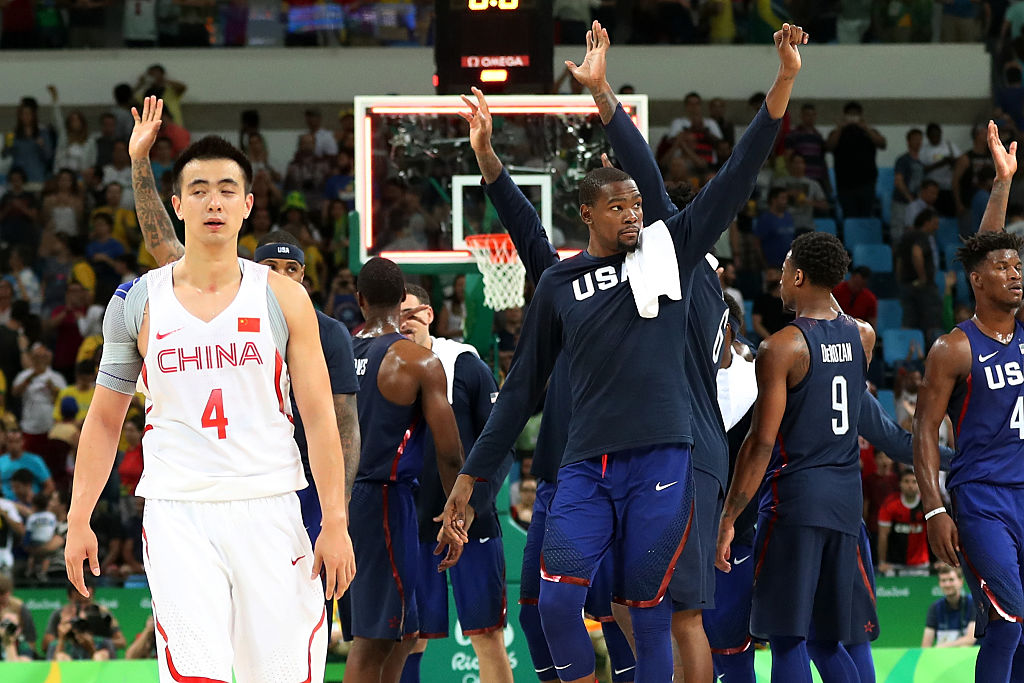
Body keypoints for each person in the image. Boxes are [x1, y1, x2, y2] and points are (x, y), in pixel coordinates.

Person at [444, 23, 802, 683]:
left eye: (640, 203)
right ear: (588, 213)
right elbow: (521, 389)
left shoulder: (673, 252)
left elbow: (739, 170)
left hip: (666, 457)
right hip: (585, 464)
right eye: (621, 205)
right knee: (557, 607)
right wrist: (470, 481)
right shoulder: (560, 282)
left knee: (650, 608)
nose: (636, 212)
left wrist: (782, 82)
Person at [63, 127, 355, 680]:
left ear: (248, 204)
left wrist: (335, 519)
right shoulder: (137, 300)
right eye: (198, 190)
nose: (212, 201)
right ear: (176, 205)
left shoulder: (282, 295)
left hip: (269, 507)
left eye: (226, 188)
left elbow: (320, 419)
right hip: (177, 514)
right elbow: (104, 420)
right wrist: (79, 517)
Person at [128, 97, 364, 623]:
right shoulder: (203, 290)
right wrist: (139, 161)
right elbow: (161, 241)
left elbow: (341, 427)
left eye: (291, 268)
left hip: (294, 488)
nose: (280, 275)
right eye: (270, 265)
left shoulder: (322, 329)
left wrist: (335, 516)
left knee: (287, 646)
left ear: (306, 275)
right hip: (203, 493)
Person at [717, 232, 875, 683]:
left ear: (800, 275)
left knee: (788, 639)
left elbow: (761, 442)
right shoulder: (863, 335)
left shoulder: (781, 347)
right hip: (846, 504)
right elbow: (836, 324)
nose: (780, 278)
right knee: (827, 640)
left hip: (795, 504)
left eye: (786, 269)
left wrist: (729, 517)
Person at [341, 256, 465, 683]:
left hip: (341, 501)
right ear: (401, 302)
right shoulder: (416, 361)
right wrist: (457, 515)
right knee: (373, 640)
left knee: (405, 630)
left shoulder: (337, 352)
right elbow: (449, 454)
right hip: (384, 501)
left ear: (359, 301)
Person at [913, 229, 1024, 682]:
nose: (1015, 274)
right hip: (982, 499)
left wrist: (1003, 181)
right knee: (1007, 619)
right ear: (976, 280)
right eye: (1003, 267)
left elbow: (987, 245)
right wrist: (934, 507)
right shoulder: (954, 348)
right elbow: (923, 428)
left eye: (1018, 266)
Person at [398, 283, 513, 683]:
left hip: (472, 522)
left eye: (411, 313)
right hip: (412, 523)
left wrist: (473, 504)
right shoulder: (384, 366)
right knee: (409, 638)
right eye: (395, 316)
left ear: (429, 315)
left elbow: (500, 444)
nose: (403, 322)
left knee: (487, 636)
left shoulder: (464, 364)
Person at [827, 101, 887, 218]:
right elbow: (829, 147)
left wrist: (866, 128)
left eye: (855, 114)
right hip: (845, 184)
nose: (853, 117)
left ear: (861, 115)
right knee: (849, 216)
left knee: (866, 216)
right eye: (850, 114)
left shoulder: (870, 132)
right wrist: (840, 128)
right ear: (845, 115)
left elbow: (882, 144)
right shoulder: (837, 133)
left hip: (867, 183)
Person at [876, 470, 929, 573]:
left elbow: (935, 534)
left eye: (914, 482)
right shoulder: (890, 504)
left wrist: (940, 560)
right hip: (894, 564)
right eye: (906, 481)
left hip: (921, 564)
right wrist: (882, 562)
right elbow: (883, 535)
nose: (910, 485)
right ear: (900, 484)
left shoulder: (927, 504)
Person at [922, 566, 977, 648]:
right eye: (943, 581)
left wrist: (942, 646)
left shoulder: (974, 604)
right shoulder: (934, 608)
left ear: (961, 581)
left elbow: (970, 639)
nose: (947, 584)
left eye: (951, 580)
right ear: (939, 584)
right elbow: (925, 646)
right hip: (943, 658)